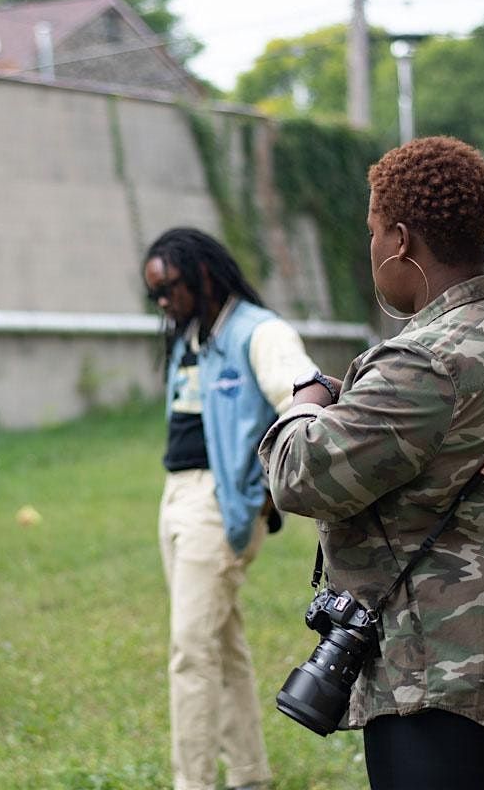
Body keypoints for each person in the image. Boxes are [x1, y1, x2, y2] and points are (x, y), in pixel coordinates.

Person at [258, 136, 484, 790]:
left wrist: (303, 403)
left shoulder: (423, 361)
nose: (373, 248)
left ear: (402, 240)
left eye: (374, 231)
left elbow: (300, 475)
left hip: (442, 677)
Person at [142, 227, 322, 790]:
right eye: (154, 294)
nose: (163, 302)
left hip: (218, 508)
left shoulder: (259, 333)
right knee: (221, 643)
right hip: (176, 496)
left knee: (190, 651)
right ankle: (249, 775)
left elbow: (305, 398)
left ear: (203, 274)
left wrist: (267, 492)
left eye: (170, 288)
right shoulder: (190, 335)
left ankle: (192, 782)